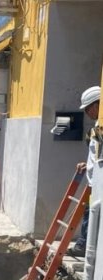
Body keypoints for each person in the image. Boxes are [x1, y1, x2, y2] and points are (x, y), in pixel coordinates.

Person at [69, 86, 100, 257]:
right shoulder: (96, 127)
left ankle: (84, 246)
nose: (87, 112)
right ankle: (83, 245)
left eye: (88, 108)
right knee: (89, 213)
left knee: (92, 215)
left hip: (98, 185)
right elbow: (95, 154)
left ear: (98, 105)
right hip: (92, 183)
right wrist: (86, 163)